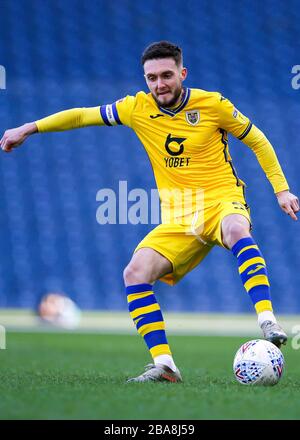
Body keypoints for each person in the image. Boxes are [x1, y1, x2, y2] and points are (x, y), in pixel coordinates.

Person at [1, 41, 299, 383]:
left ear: (182, 73)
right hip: (180, 217)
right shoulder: (136, 108)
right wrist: (28, 128)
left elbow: (257, 139)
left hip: (222, 200)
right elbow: (83, 115)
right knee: (135, 272)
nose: (160, 84)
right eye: (152, 77)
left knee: (235, 230)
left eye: (167, 75)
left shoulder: (213, 104)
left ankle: (266, 319)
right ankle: (165, 365)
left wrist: (281, 189)